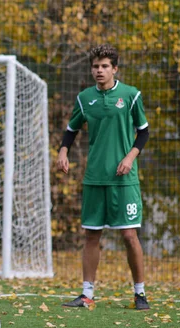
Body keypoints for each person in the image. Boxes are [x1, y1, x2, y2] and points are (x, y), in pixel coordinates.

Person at [57, 44, 150, 310]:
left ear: (115, 69)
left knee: (130, 236)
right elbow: (71, 130)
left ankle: (140, 294)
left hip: (124, 180)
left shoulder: (131, 95)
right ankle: (87, 294)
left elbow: (143, 132)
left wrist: (130, 157)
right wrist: (63, 151)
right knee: (91, 236)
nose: (99, 70)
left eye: (105, 66)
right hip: (94, 178)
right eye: (96, 66)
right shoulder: (85, 98)